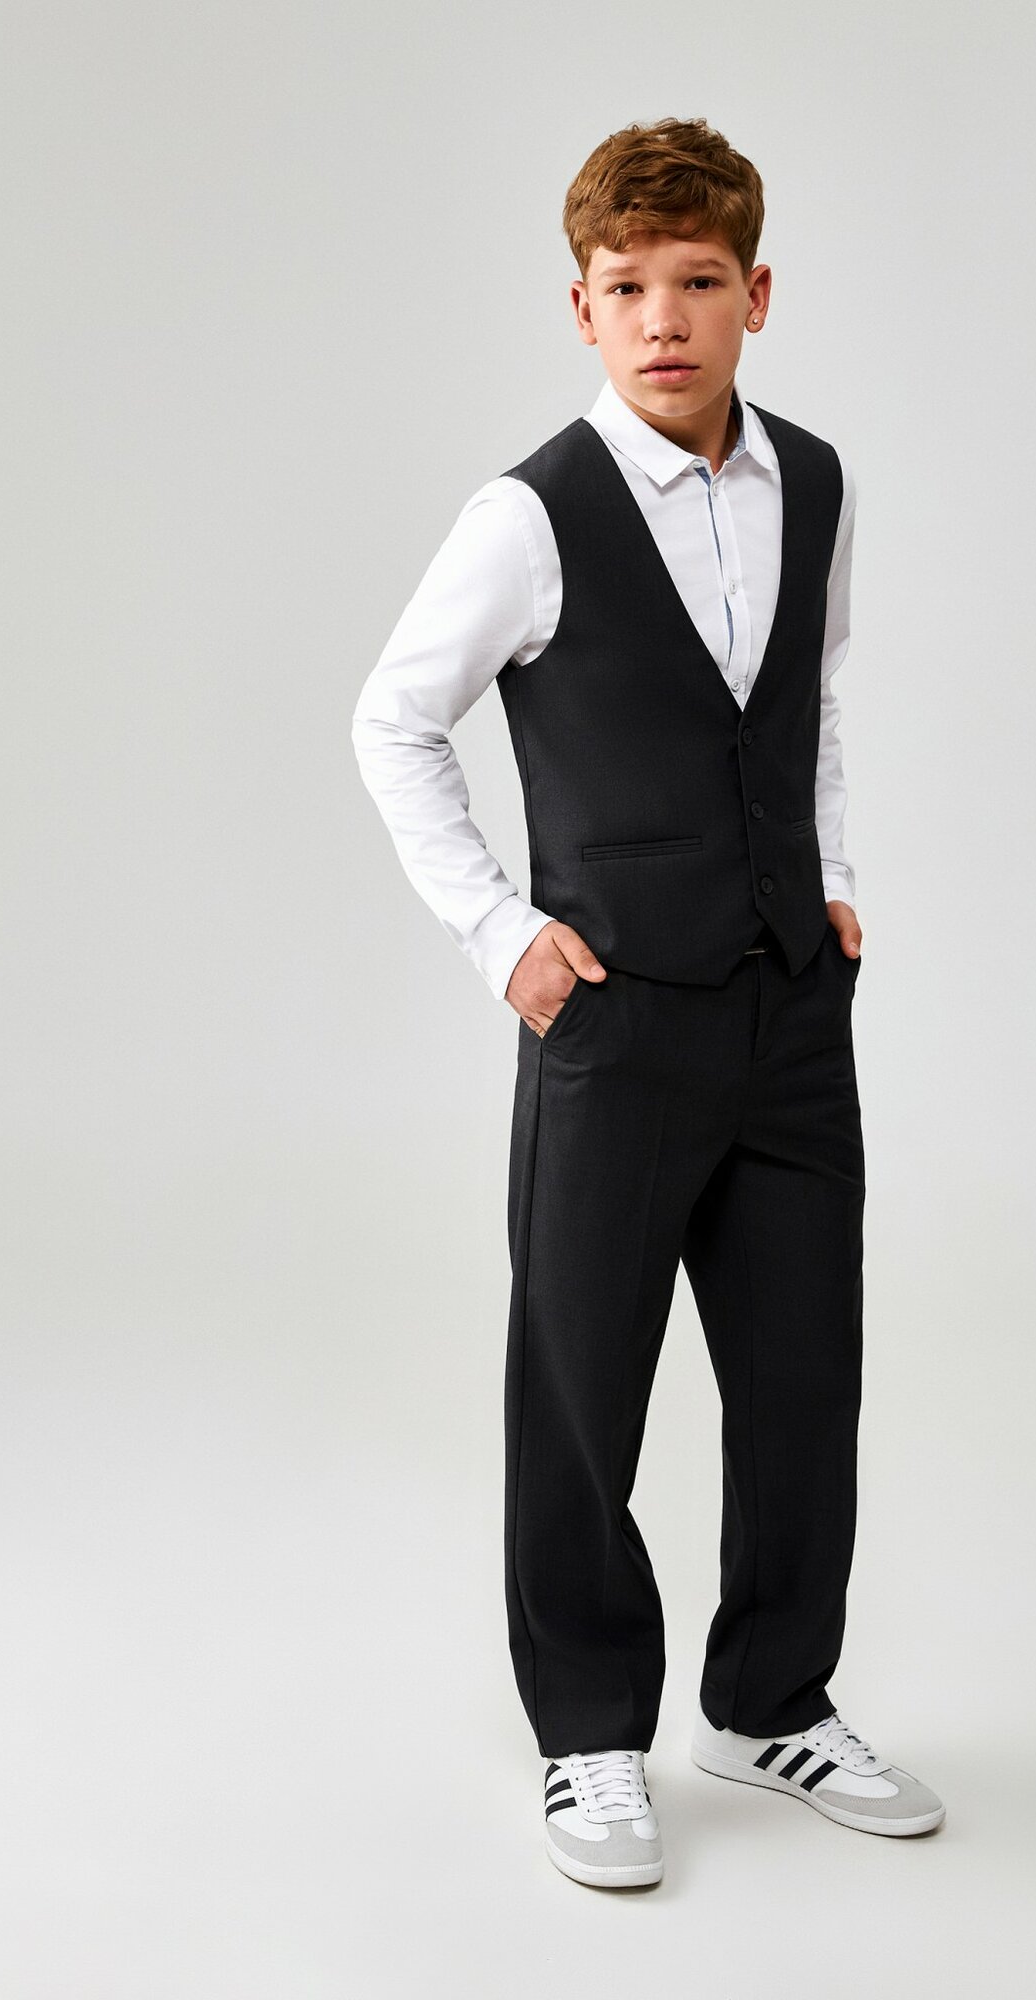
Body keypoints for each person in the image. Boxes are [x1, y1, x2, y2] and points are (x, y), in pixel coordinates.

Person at [350, 115, 945, 1888]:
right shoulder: (531, 515)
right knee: (579, 1387)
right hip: (612, 1028)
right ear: (584, 309)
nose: (664, 317)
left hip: (790, 1017)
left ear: (758, 293)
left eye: (698, 282)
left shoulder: (817, 483)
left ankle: (770, 1701)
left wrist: (833, 878)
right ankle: (591, 1735)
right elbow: (393, 719)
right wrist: (500, 934)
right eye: (628, 288)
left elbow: (809, 700)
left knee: (801, 1381)